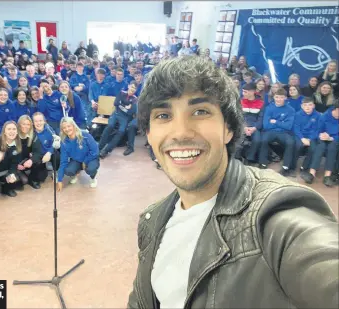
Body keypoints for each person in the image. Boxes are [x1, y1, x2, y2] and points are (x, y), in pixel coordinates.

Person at [127, 55, 338, 309]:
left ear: (228, 128)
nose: (180, 132)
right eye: (163, 115)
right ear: (149, 135)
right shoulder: (152, 220)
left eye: (200, 111)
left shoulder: (273, 216)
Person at [258, 88, 296, 175]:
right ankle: (263, 163)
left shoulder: (290, 110)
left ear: (285, 98)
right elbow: (266, 125)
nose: (279, 99)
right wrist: (282, 123)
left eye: (281, 97)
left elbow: (288, 126)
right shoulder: (269, 108)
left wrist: (275, 121)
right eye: (277, 97)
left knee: (290, 142)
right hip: (270, 131)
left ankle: (286, 167)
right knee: (264, 140)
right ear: (274, 97)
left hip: (284, 133)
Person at [301, 103, 339, 187]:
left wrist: (331, 138)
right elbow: (316, 130)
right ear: (336, 109)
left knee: (332, 148)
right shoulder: (325, 116)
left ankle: (327, 176)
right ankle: (311, 174)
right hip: (321, 137)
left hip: (334, 139)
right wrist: (321, 135)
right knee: (320, 147)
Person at [57, 117, 99, 190]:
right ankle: (75, 173)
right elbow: (63, 161)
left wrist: (85, 161)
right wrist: (59, 180)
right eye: (64, 128)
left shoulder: (85, 134)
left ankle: (93, 178)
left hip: (90, 158)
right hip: (77, 160)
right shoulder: (64, 142)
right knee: (68, 170)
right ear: (62, 130)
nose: (67, 129)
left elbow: (95, 151)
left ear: (73, 126)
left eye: (69, 126)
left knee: (91, 169)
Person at [99, 81, 138, 158]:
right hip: (116, 114)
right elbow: (116, 103)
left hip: (125, 117)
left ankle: (106, 150)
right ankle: (99, 147)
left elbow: (131, 111)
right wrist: (125, 107)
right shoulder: (122, 93)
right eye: (132, 87)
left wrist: (121, 105)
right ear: (129, 86)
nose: (133, 89)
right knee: (110, 126)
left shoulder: (135, 99)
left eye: (135, 88)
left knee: (121, 131)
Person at [234, 83, 264, 163]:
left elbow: (261, 119)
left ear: (252, 92)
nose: (243, 93)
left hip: (254, 127)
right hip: (243, 126)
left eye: (245, 92)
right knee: (238, 139)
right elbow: (239, 117)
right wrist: (244, 127)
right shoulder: (240, 101)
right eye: (243, 91)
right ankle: (237, 159)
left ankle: (249, 158)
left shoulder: (261, 103)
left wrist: (254, 128)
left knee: (257, 140)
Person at [16, 115, 47, 189]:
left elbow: (38, 152)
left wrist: (31, 160)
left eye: (28, 124)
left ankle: (32, 179)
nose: (26, 126)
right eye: (23, 124)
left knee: (42, 177)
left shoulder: (33, 135)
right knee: (24, 181)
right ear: (19, 124)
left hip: (26, 160)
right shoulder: (14, 135)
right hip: (15, 163)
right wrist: (16, 164)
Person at [292, 97, 321, 172]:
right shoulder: (297, 114)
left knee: (313, 148)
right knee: (297, 146)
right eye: (305, 105)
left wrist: (310, 139)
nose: (307, 107)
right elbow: (296, 128)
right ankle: (292, 166)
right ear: (302, 106)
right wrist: (302, 138)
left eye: (309, 105)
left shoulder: (318, 115)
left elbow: (317, 130)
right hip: (300, 136)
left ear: (313, 106)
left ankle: (304, 167)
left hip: (312, 137)